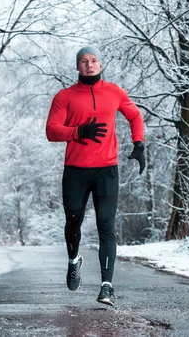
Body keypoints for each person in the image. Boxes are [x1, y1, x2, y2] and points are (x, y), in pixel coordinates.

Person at [45, 46, 145, 306]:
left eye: (93, 60)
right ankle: (73, 260)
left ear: (100, 64)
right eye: (83, 61)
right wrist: (79, 131)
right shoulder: (64, 96)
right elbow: (52, 131)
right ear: (77, 67)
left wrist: (139, 144)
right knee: (73, 223)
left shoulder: (114, 92)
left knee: (106, 226)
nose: (89, 65)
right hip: (76, 171)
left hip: (106, 169)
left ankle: (107, 287)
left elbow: (135, 116)